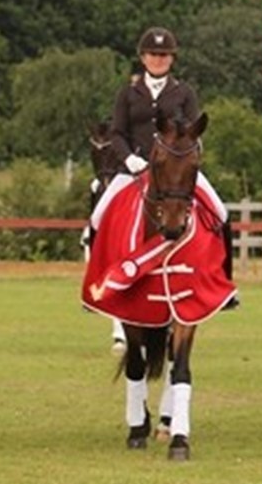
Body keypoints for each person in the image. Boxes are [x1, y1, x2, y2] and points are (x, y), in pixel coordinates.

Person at [98, 27, 237, 304]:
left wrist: (185, 154)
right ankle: (100, 281)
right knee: (98, 216)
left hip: (176, 171)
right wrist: (130, 159)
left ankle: (224, 285)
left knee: (221, 214)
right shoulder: (128, 93)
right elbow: (116, 133)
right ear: (143, 57)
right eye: (153, 54)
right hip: (134, 169)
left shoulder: (183, 93)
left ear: (172, 59)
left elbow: (194, 132)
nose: (158, 59)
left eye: (164, 55)